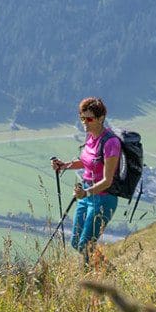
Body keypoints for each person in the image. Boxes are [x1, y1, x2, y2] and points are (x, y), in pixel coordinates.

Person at [51, 97, 120, 264]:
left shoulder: (111, 143)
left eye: (89, 119)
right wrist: (64, 165)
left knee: (86, 244)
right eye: (82, 118)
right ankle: (107, 273)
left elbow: (107, 180)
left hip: (103, 198)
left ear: (101, 118)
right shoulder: (90, 137)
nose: (84, 123)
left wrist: (86, 193)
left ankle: (99, 278)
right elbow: (86, 162)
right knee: (76, 242)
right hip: (85, 196)